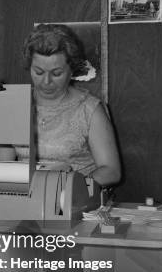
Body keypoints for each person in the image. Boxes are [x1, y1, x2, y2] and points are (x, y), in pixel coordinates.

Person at [19, 23, 121, 187]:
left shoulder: (89, 109)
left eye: (56, 73)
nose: (46, 81)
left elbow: (111, 171)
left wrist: (68, 187)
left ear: (72, 69)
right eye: (38, 72)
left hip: (72, 202)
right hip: (22, 201)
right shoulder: (14, 105)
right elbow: (0, 164)